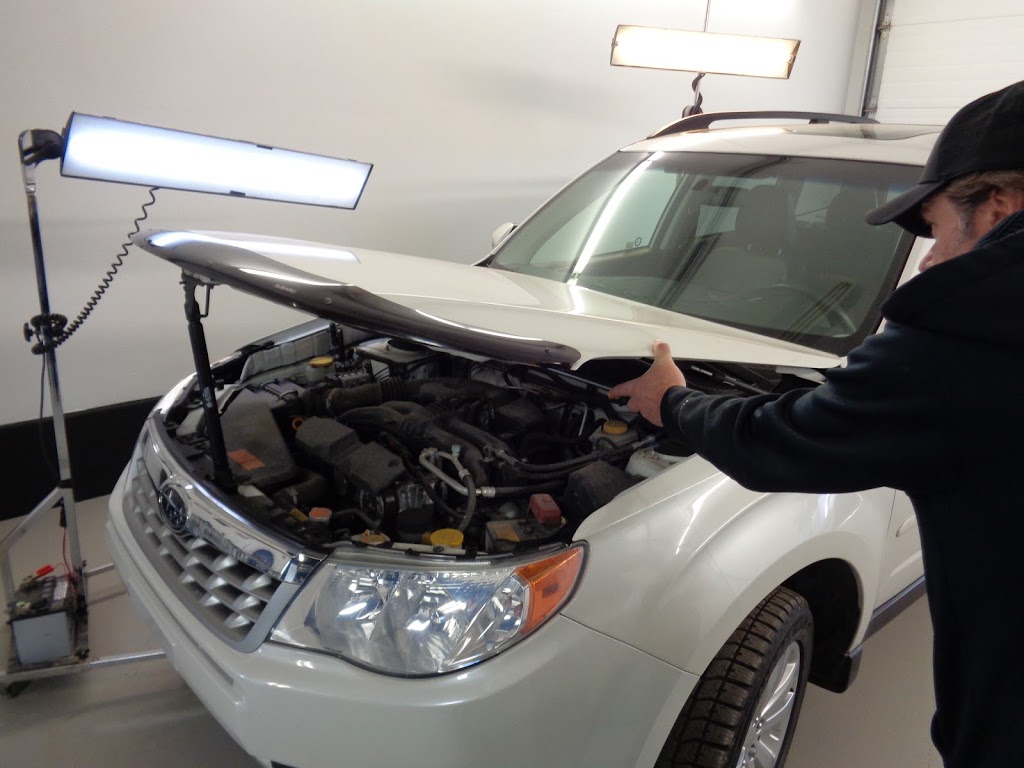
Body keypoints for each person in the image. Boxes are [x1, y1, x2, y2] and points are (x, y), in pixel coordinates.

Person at [608, 80, 1024, 768]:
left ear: (997, 209)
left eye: (936, 229)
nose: (928, 258)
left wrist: (672, 402)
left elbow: (782, 440)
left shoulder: (962, 333)